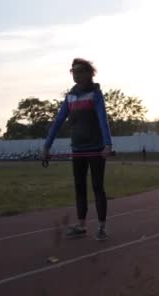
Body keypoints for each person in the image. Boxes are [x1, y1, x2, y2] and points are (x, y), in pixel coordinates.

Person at [42, 58, 113, 241]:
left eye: (80, 71)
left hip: (96, 149)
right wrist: (47, 146)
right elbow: (58, 122)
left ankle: (102, 227)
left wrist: (107, 144)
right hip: (78, 149)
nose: (76, 74)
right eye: (73, 71)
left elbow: (103, 119)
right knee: (79, 187)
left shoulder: (95, 94)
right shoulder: (70, 97)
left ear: (89, 73)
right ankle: (81, 226)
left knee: (97, 187)